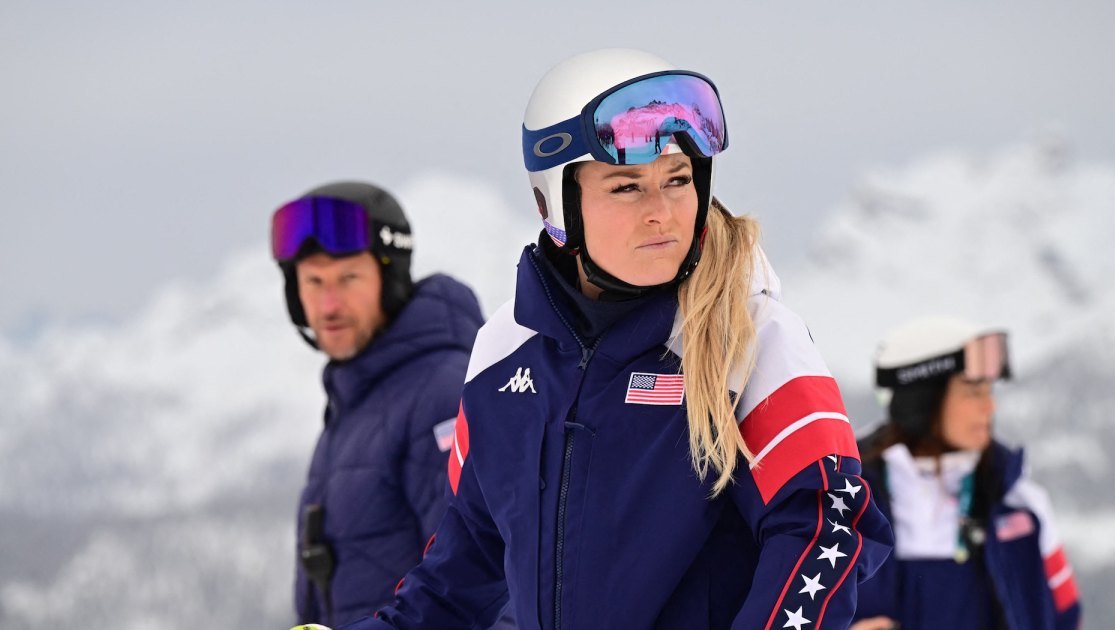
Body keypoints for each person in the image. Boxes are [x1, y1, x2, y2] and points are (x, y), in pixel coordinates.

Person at [332, 48, 893, 630]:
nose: (662, 213)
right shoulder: (506, 352)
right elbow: (463, 569)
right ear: (558, 203)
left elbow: (825, 526)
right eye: (627, 187)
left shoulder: (751, 340)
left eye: (678, 179)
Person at [270, 181, 485, 627]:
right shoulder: (357, 399)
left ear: (390, 281)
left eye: (348, 278)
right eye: (313, 282)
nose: (329, 305)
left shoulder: (439, 395)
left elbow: (477, 583)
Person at [852, 317, 1081, 630]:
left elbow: (1066, 616)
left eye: (989, 390)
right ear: (920, 401)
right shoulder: (846, 505)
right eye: (973, 392)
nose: (990, 407)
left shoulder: (1019, 504)